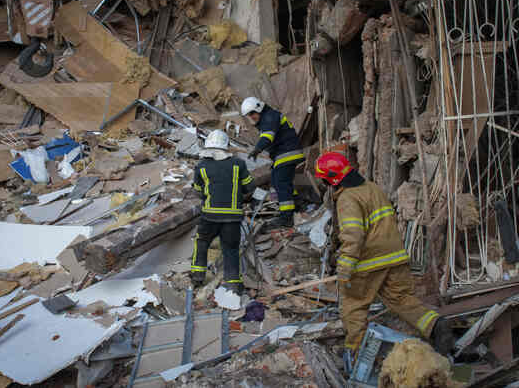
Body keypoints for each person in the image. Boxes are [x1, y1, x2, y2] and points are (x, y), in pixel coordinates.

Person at [314, 152, 454, 369]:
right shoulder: (372, 188)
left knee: (354, 308)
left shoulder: (347, 198)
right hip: (395, 256)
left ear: (330, 179)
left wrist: (345, 267)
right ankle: (435, 325)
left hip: (368, 261)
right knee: (402, 299)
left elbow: (353, 234)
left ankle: (356, 357)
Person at [191, 130, 255, 294]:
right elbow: (249, 187)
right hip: (232, 217)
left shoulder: (201, 167)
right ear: (226, 147)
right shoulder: (238, 164)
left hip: (209, 216)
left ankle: (197, 275)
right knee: (230, 249)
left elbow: (198, 191)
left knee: (202, 241)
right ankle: (233, 284)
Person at [241, 97, 304, 231]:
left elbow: (268, 137)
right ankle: (297, 204)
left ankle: (286, 218)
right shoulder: (268, 118)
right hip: (284, 153)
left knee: (280, 182)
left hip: (287, 153)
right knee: (278, 181)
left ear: (258, 108)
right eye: (249, 116)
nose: (251, 117)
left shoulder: (269, 117)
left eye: (252, 114)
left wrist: (257, 149)